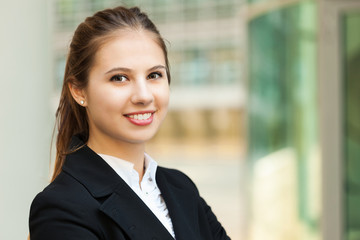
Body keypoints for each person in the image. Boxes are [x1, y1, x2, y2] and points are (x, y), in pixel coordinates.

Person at [29, 6, 230, 240]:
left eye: (154, 75)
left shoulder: (181, 188)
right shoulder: (61, 208)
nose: (143, 96)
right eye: (120, 78)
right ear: (78, 90)